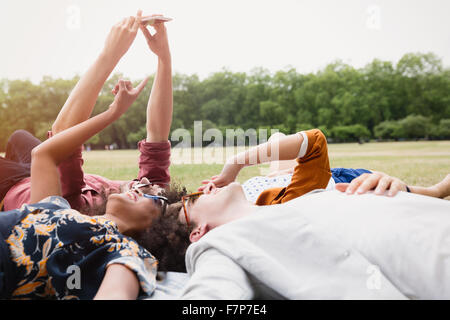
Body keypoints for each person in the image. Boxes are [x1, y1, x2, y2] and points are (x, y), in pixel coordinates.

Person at [0, 61, 168, 299]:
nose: (142, 187)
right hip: (28, 187)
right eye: (144, 185)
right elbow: (43, 154)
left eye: (154, 198)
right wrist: (113, 112)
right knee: (20, 137)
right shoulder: (59, 207)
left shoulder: (125, 252)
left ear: (157, 228)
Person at [0, 11, 177, 218]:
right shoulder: (155, 201)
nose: (146, 182)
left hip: (12, 183)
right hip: (34, 169)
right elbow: (157, 134)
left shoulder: (74, 206)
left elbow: (61, 134)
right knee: (19, 137)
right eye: (155, 190)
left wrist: (110, 54)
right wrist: (164, 57)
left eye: (146, 190)